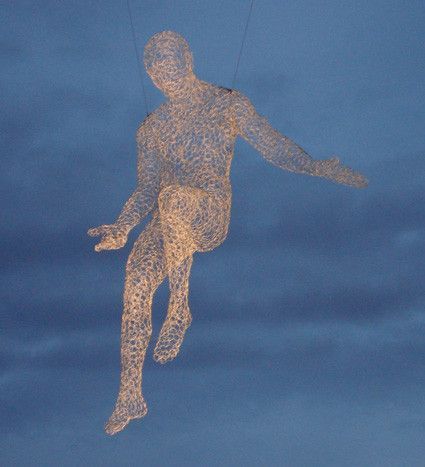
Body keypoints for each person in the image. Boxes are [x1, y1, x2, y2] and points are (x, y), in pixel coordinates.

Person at [88, 30, 368, 435]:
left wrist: (316, 166)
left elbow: (272, 146)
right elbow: (146, 188)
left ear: (187, 60)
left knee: (174, 199)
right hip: (167, 218)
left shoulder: (225, 103)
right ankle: (130, 396)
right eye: (156, 69)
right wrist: (122, 226)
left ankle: (179, 309)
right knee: (136, 280)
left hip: (209, 211)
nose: (165, 74)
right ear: (149, 75)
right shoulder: (152, 127)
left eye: (170, 63)